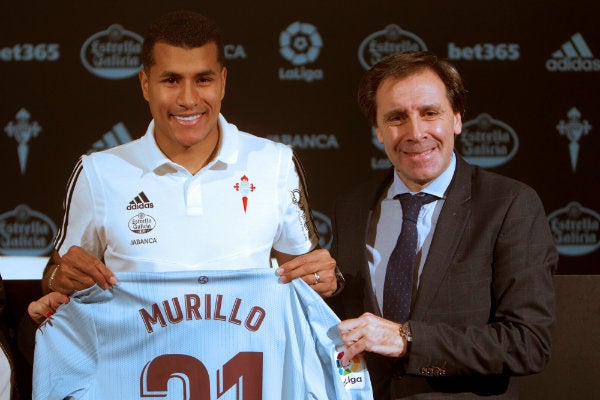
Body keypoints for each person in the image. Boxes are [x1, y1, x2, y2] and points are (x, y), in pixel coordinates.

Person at [40, 10, 342, 298]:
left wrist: (323, 278)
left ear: (223, 82)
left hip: (248, 352)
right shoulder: (98, 172)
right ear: (146, 85)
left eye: (203, 80)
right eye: (171, 80)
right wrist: (58, 279)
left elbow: (306, 275)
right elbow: (57, 277)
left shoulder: (275, 162)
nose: (188, 99)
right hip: (136, 352)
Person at [326, 51, 558, 399]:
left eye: (430, 113)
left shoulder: (510, 205)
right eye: (396, 117)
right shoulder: (352, 207)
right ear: (378, 131)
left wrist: (407, 339)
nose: (415, 132)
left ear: (457, 119)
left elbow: (527, 343)